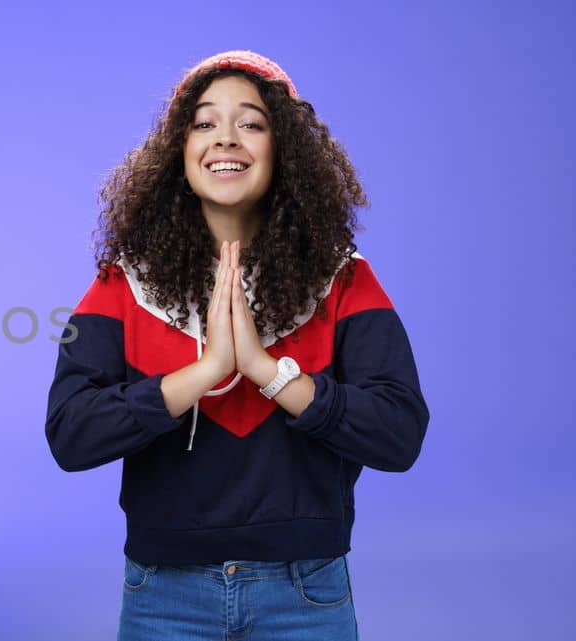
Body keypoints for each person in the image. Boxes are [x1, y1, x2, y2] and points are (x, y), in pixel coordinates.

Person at [44, 50, 430, 640]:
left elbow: (398, 435)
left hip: (305, 592)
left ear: (285, 151)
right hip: (162, 594)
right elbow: (71, 435)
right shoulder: (120, 286)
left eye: (251, 123)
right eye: (204, 123)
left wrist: (268, 372)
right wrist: (207, 372)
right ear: (180, 152)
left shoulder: (347, 280)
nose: (226, 139)